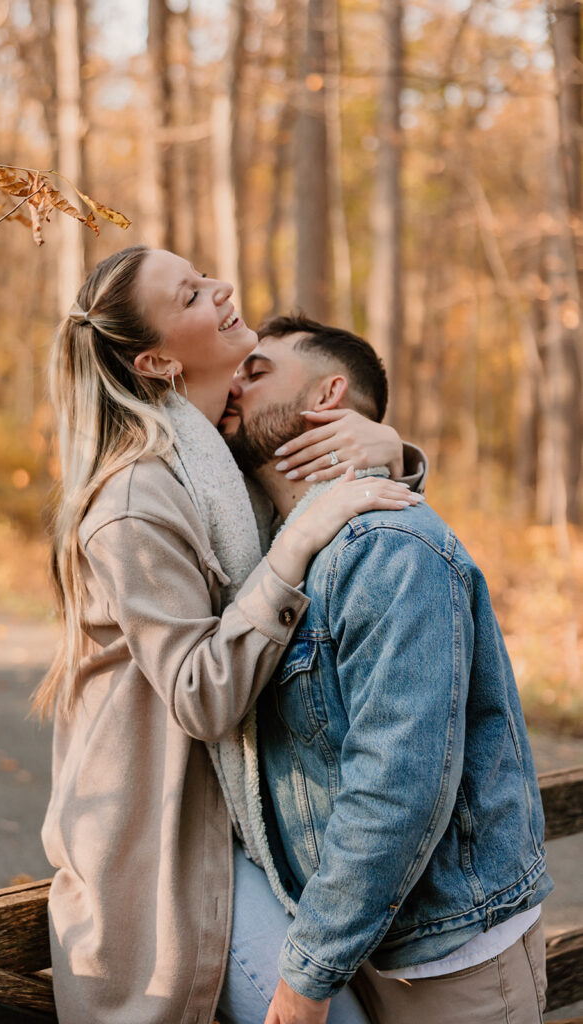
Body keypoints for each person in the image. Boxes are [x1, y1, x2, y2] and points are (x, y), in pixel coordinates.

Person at [35, 246, 425, 1024]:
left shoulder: (225, 461)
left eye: (204, 276)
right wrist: (293, 543)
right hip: (169, 841)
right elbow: (201, 696)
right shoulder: (138, 497)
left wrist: (390, 450)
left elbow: (337, 511)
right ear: (156, 359)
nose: (221, 290)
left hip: (252, 817)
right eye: (190, 294)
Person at [219, 313, 553, 1024]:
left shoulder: (385, 547)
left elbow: (397, 785)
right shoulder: (280, 549)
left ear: (327, 393)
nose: (233, 384)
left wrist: (307, 975)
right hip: (358, 940)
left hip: (446, 959)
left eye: (257, 370)